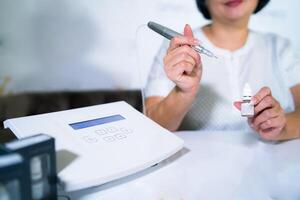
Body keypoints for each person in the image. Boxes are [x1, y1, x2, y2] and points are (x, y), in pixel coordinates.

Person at [144, 0, 300, 141]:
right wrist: (183, 93)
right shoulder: (177, 49)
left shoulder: (280, 48)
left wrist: (282, 127)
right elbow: (152, 127)